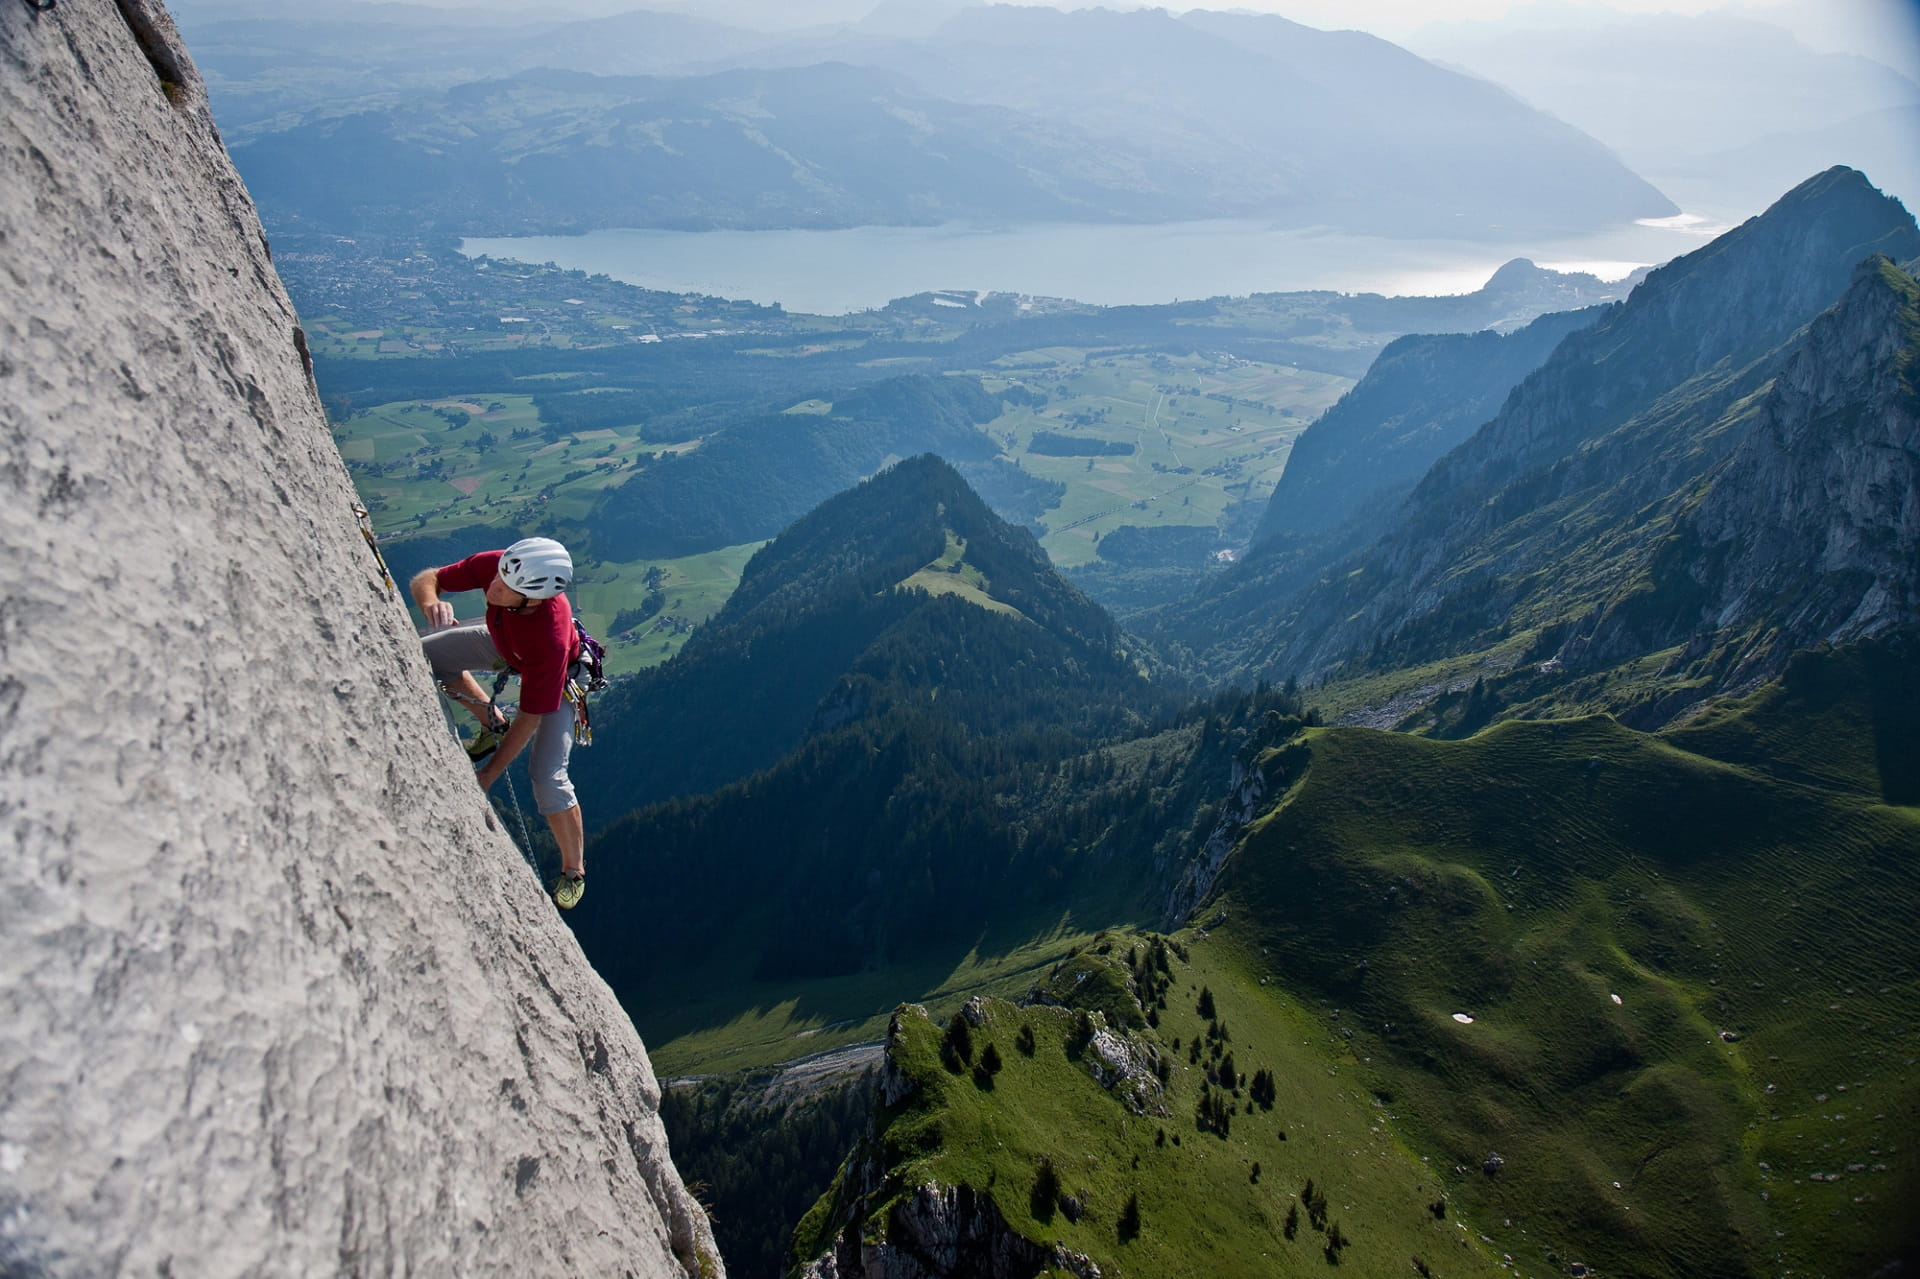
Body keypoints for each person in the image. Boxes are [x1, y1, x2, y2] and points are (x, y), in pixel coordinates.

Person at [411, 537, 588, 909]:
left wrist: (488, 774)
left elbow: (530, 717)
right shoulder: (506, 567)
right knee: (425, 655)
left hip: (562, 675)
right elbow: (428, 579)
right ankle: (492, 724)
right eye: (499, 578)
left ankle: (574, 870)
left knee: (547, 776)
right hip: (506, 640)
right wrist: (431, 604)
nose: (494, 587)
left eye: (507, 589)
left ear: (533, 600)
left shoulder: (550, 638)